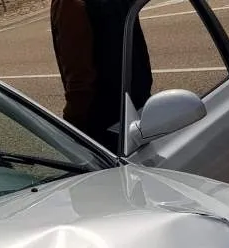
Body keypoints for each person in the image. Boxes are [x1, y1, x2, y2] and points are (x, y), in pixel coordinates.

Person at [50, 0, 153, 151]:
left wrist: (71, 128)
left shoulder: (68, 5)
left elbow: (80, 82)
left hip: (105, 128)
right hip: (138, 108)